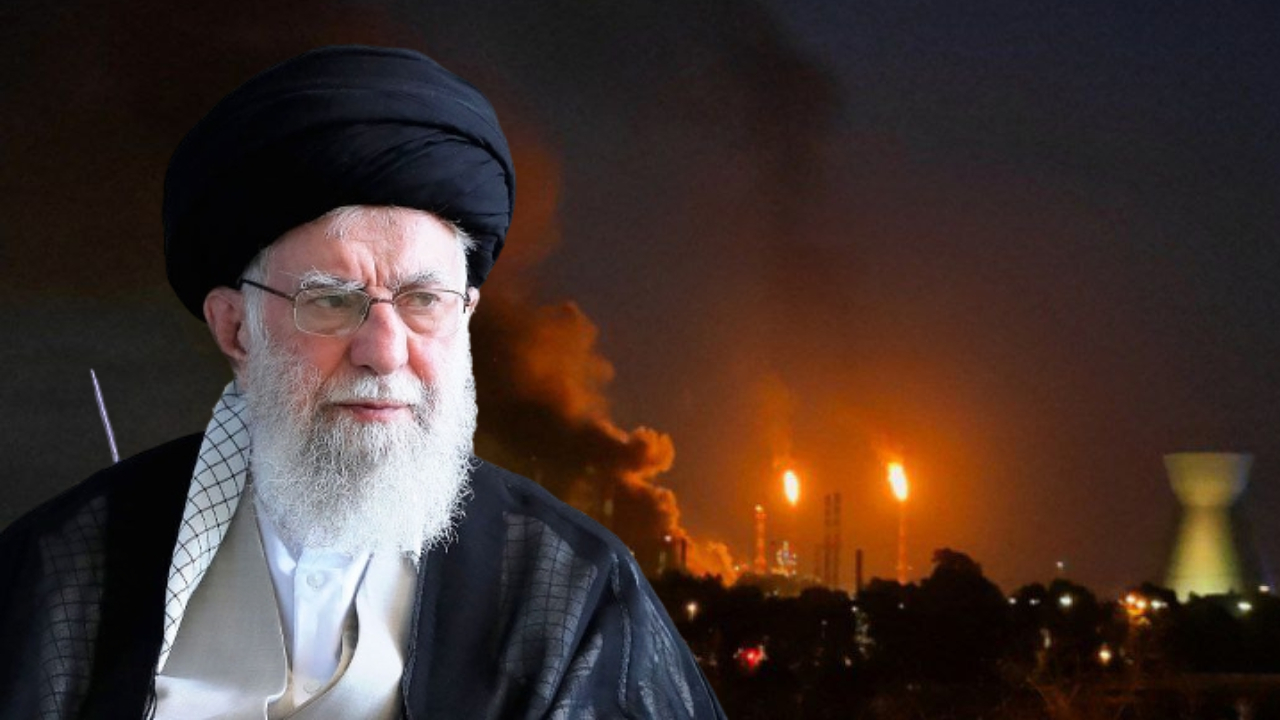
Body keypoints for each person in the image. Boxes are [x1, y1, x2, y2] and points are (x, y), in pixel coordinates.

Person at [0, 45, 725, 719]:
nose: (384, 350)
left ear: (465, 316)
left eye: (424, 300)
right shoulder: (59, 575)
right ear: (236, 330)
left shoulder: (574, 591)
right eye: (330, 301)